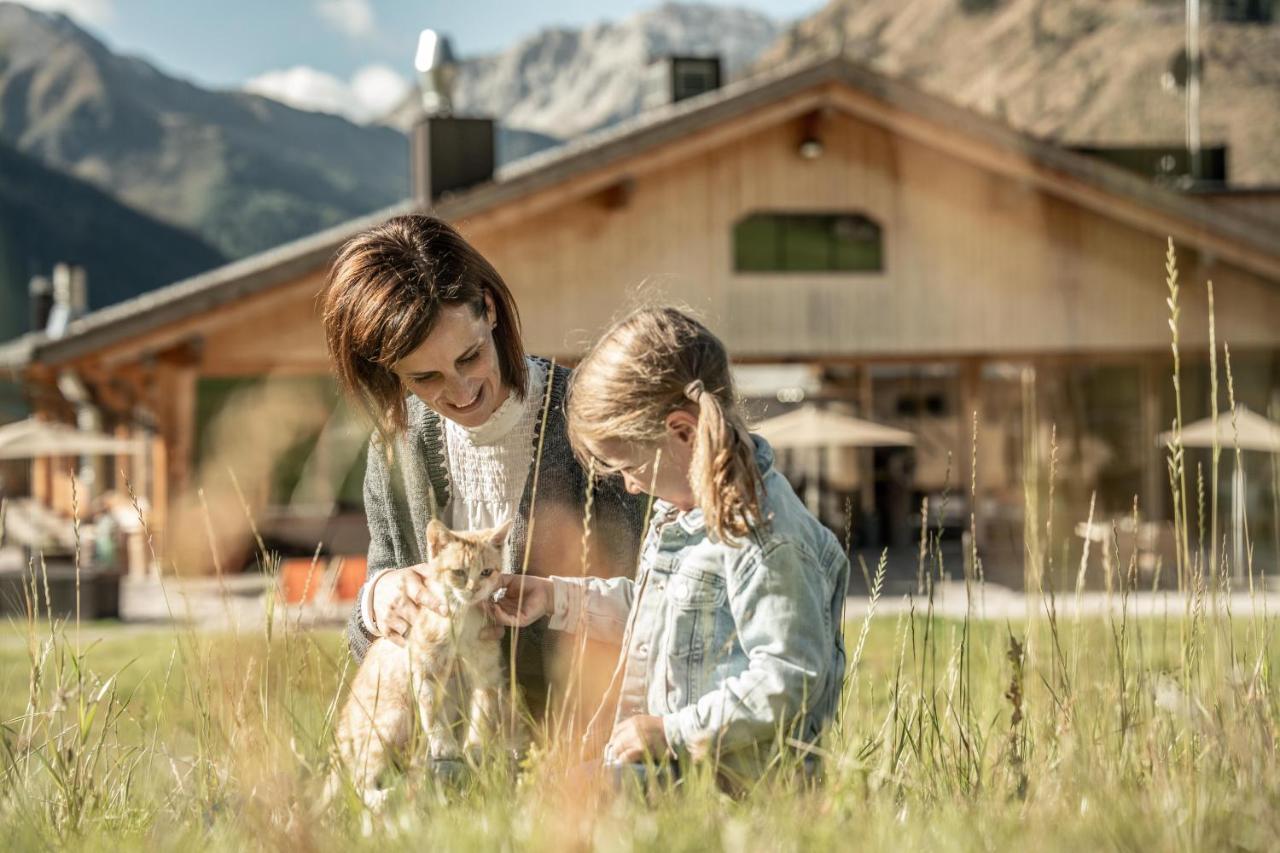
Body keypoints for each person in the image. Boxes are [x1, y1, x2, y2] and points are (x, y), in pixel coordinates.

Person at [487, 306, 850, 788]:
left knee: (569, 801)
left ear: (682, 432)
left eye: (629, 466)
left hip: (737, 783)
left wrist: (672, 731)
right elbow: (659, 617)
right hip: (676, 764)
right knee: (550, 796)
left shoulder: (765, 539)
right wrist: (556, 597)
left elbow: (786, 678)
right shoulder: (682, 513)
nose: (631, 487)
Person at [320, 213, 646, 715]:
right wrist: (378, 600)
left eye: (469, 357)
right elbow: (369, 637)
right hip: (447, 724)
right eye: (425, 378)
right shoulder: (395, 443)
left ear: (490, 309)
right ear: (388, 372)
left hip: (583, 718)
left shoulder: (593, 420)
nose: (461, 392)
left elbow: (667, 601)